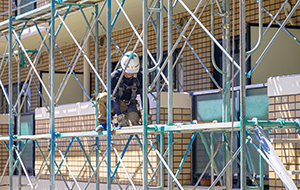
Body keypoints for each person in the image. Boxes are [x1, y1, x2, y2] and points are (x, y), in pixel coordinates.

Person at [95, 51, 151, 132]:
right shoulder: (114, 76)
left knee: (134, 126)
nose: (130, 74)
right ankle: (103, 123)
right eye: (128, 72)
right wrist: (119, 116)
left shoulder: (139, 77)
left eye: (133, 72)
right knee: (103, 97)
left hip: (130, 105)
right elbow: (112, 97)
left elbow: (144, 97)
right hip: (116, 104)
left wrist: (147, 115)